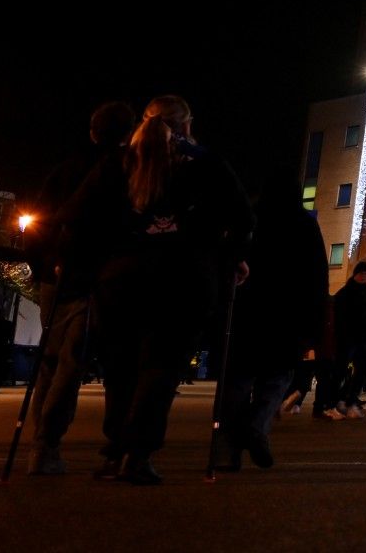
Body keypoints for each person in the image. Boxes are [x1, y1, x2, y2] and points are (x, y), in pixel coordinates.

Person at [73, 95, 252, 485]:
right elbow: (242, 216)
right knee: (161, 368)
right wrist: (231, 255)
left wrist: (91, 261)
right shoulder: (206, 166)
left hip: (121, 280)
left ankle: (117, 448)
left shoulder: (118, 164)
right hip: (182, 280)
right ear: (186, 126)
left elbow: (78, 217)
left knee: (121, 369)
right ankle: (137, 453)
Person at [27, 99, 134, 475]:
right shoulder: (123, 174)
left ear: (93, 131)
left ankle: (41, 444)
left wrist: (40, 265)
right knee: (71, 364)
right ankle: (46, 444)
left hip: (54, 276)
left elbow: (38, 224)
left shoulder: (65, 171)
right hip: (92, 277)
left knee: (51, 361)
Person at [215, 172, 326, 472]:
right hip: (287, 316)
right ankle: (257, 424)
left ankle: (227, 449)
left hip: (248, 312)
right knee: (277, 378)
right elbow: (317, 277)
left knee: (237, 381)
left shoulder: (251, 217)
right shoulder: (305, 225)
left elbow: (228, 260)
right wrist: (314, 325)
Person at [331, 261, 366, 418]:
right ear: (356, 274)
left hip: (363, 337)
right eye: (362, 273)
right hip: (348, 337)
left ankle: (349, 400)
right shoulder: (345, 293)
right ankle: (334, 402)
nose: (365, 277)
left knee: (362, 369)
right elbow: (340, 317)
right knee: (340, 370)